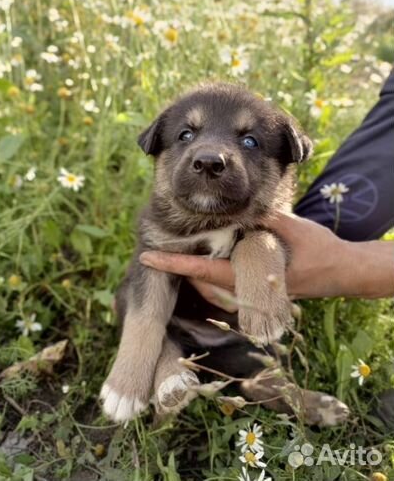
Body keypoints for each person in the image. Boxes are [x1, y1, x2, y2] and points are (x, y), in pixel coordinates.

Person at [139, 70, 394, 428]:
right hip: (167, 320)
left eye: (250, 142)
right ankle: (165, 379)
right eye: (186, 135)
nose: (210, 156)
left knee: (256, 354)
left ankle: (275, 391)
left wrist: (347, 265)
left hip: (234, 334)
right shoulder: (163, 220)